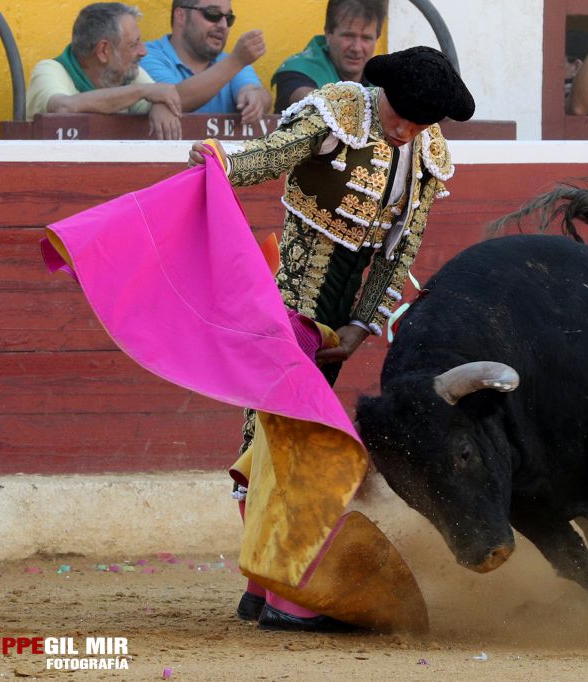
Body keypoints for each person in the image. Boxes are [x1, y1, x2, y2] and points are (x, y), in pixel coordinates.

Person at [189, 46, 474, 631]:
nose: (405, 131)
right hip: (289, 303)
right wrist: (221, 162)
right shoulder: (340, 111)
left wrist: (362, 324)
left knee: (281, 439)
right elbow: (273, 155)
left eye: (419, 123)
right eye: (399, 116)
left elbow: (400, 249)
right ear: (383, 94)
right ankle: (287, 598)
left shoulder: (426, 151)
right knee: (277, 437)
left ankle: (261, 589)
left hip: (335, 321)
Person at [26, 3, 182, 140]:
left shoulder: (128, 72)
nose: (143, 52)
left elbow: (160, 96)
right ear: (103, 51)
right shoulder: (50, 69)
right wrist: (143, 91)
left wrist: (160, 104)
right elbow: (64, 107)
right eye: (133, 45)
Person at [141, 0, 271, 125]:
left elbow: (255, 90)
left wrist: (255, 100)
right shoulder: (145, 54)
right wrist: (236, 61)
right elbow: (171, 100)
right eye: (212, 14)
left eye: (229, 18)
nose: (223, 25)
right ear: (181, 16)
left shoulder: (232, 62)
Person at [271, 0, 387, 113]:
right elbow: (308, 101)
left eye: (366, 38)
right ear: (328, 33)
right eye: (348, 36)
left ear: (377, 37)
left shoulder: (382, 79)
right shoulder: (297, 71)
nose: (356, 48)